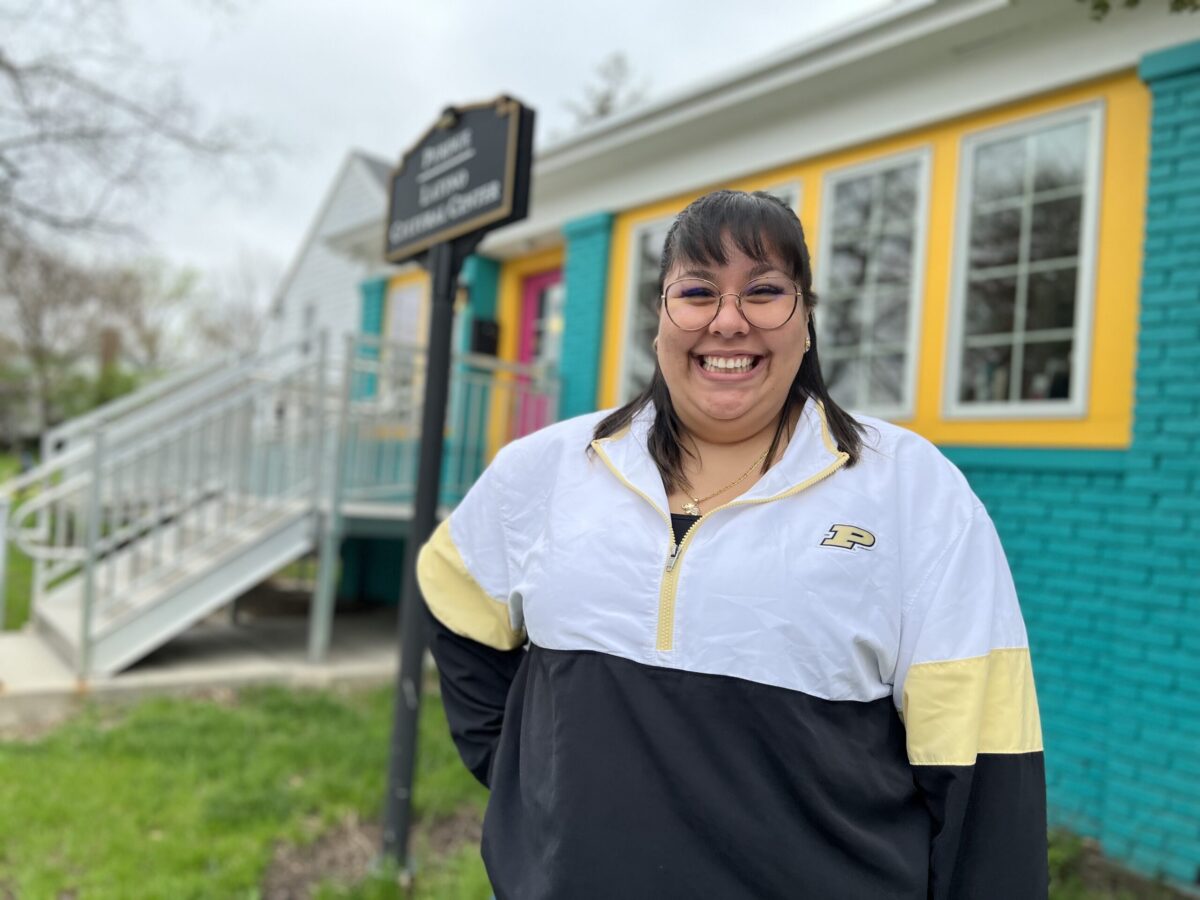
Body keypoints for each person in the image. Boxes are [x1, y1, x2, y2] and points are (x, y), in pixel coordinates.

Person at [417, 190, 1047, 899]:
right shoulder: (550, 468)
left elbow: (986, 762)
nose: (728, 320)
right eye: (697, 292)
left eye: (765, 291)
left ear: (805, 321)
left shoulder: (913, 491)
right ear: (660, 319)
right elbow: (454, 597)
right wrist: (519, 779)